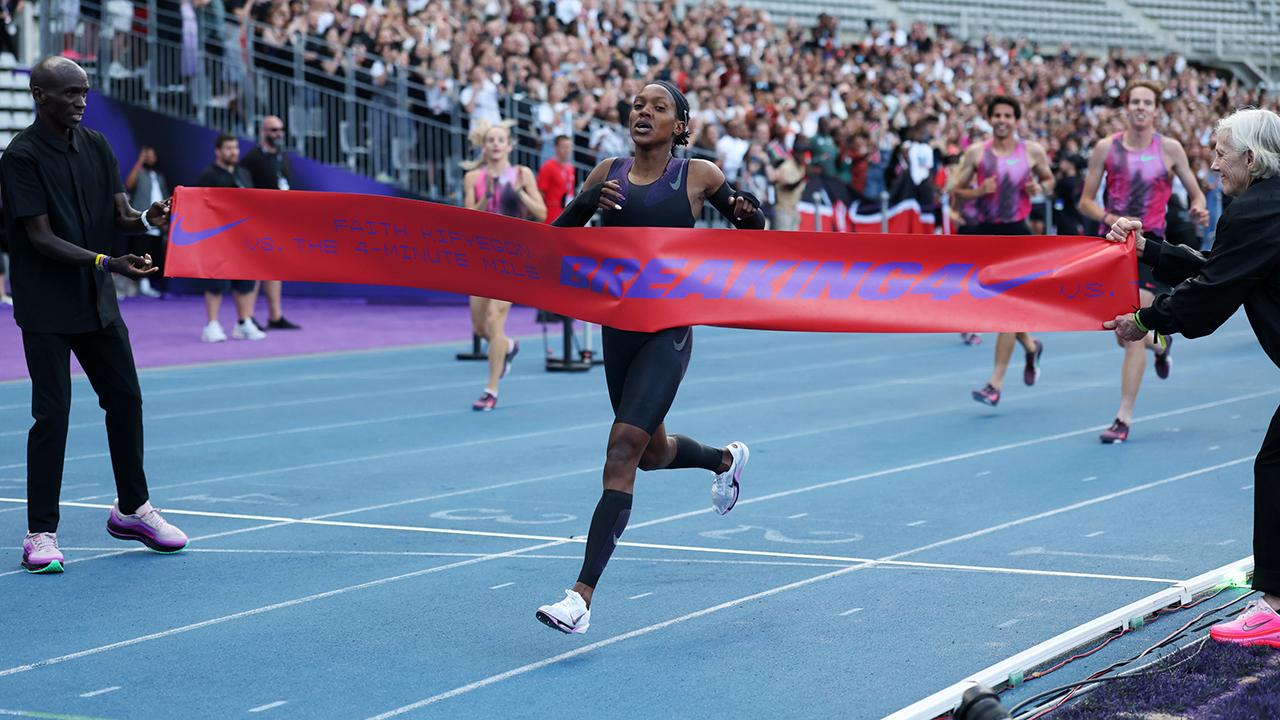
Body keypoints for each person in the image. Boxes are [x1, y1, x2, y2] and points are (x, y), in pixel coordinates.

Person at [535, 80, 761, 635]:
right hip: (619, 330)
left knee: (622, 449)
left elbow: (750, 226)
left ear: (679, 126)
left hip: (668, 331)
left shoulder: (698, 175)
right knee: (652, 453)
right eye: (638, 104)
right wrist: (583, 206)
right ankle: (724, 462)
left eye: (659, 107)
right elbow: (550, 244)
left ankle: (580, 597)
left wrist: (746, 212)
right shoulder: (605, 175)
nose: (644, 111)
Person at [0, 56, 188, 574]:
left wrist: (152, 218)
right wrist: (109, 261)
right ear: (40, 96)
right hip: (46, 306)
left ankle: (132, 509)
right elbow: (39, 238)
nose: (81, 101)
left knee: (126, 398)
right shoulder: (19, 157)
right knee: (52, 414)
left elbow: (120, 216)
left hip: (96, 301)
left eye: (84, 92)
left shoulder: (99, 146)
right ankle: (40, 533)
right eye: (69, 93)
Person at [1101, 108, 1280, 645]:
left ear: (1251, 157)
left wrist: (1145, 321)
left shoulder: (1256, 210)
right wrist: (1146, 250)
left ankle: (1275, 605)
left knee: (1276, 467)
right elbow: (1220, 267)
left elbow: (1208, 296)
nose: (1213, 164)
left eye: (1221, 153)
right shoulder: (1268, 206)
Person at [1079, 80, 1208, 443]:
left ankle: (1123, 417)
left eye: (1146, 102)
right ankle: (1160, 342)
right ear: (1126, 107)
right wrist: (1110, 220)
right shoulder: (1107, 148)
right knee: (1124, 334)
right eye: (1134, 101)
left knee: (1131, 333)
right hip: (1115, 247)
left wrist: (1198, 207)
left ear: (1155, 110)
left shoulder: (1169, 149)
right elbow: (1086, 201)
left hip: (1152, 249)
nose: (1140, 107)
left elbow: (1195, 190)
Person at [947, 96, 1056, 407]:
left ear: (1016, 119)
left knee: (1006, 308)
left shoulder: (1031, 151)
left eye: (1008, 115)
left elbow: (1049, 181)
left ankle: (994, 384)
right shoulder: (976, 153)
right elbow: (955, 191)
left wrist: (1039, 188)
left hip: (1016, 233)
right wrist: (978, 192)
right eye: (997, 115)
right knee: (992, 305)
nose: (1002, 120)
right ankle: (1031, 345)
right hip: (984, 234)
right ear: (990, 118)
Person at [461, 118, 546, 411]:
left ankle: (491, 389)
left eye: (500, 140)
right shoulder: (474, 179)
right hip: (482, 257)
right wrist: (486, 197)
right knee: (480, 326)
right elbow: (467, 218)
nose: (495, 144)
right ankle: (508, 346)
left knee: (496, 320)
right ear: (484, 147)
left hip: (512, 257)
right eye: (490, 140)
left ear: (509, 146)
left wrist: (519, 191)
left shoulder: (523, 173)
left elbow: (542, 212)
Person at [195, 133, 264, 343]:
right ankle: (212, 325)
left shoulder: (244, 174)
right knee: (216, 283)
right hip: (218, 238)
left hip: (243, 239)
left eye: (235, 148)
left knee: (245, 282)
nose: (233, 152)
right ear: (218, 151)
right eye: (228, 148)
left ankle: (243, 322)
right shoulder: (208, 175)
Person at [239, 114, 301, 331]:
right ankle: (248, 316)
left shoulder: (282, 157)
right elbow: (244, 188)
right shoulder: (251, 158)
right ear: (263, 132)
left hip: (280, 220)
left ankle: (275, 315)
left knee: (275, 269)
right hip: (259, 220)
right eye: (273, 130)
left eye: (280, 130)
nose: (278, 134)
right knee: (256, 269)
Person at [124, 145, 167, 298]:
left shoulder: (159, 176)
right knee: (141, 253)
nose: (149, 158)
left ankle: (152, 284)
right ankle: (141, 284)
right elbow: (129, 184)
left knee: (155, 254)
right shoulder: (139, 173)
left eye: (151, 155)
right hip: (142, 219)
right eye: (146, 155)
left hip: (158, 223)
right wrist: (139, 161)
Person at [536, 134, 575, 219]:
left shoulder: (570, 168)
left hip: (566, 213)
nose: (567, 150)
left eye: (569, 147)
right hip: (551, 214)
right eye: (564, 147)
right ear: (556, 148)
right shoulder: (548, 167)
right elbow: (540, 192)